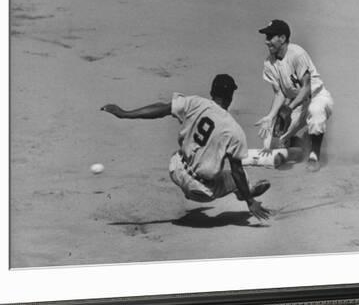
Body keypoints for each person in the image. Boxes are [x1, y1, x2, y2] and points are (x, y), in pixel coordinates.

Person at [101, 74, 271, 221]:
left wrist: (125, 114)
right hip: (202, 190)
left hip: (175, 170)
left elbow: (161, 109)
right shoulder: (235, 131)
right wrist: (251, 202)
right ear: (230, 98)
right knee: (239, 177)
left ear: (212, 92)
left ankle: (242, 191)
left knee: (186, 152)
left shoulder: (195, 102)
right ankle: (245, 193)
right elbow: (237, 171)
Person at [255, 19, 334, 172]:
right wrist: (270, 116)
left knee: (315, 111)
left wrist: (289, 108)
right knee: (271, 145)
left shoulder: (297, 54)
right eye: (266, 37)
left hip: (317, 97)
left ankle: (314, 155)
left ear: (282, 38)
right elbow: (279, 94)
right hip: (297, 104)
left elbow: (306, 88)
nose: (266, 42)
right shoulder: (269, 63)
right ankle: (300, 146)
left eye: (270, 37)